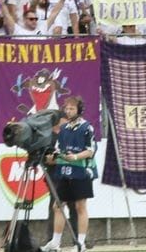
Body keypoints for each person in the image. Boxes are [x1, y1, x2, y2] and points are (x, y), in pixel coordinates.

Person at [42, 96, 95, 252]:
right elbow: (59, 149)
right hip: (64, 171)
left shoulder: (87, 127)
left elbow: (90, 151)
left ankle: (80, 243)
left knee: (80, 206)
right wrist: (53, 157)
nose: (68, 111)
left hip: (80, 171)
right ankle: (55, 242)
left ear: (79, 110)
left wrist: (76, 157)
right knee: (57, 206)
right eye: (67, 108)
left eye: (72, 108)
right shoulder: (63, 129)